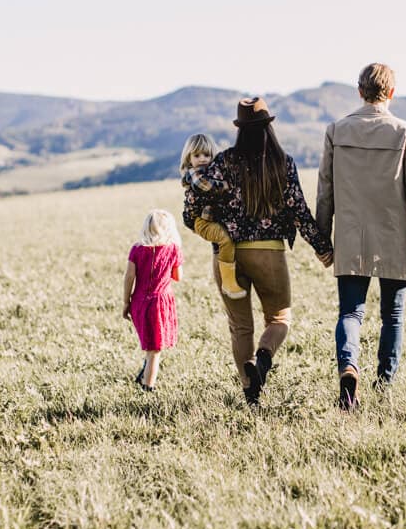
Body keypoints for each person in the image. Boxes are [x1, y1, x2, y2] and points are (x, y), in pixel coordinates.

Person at [183, 97, 333, 405]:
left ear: (239, 129)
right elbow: (298, 211)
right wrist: (322, 248)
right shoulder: (283, 162)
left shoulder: (223, 162)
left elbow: (192, 207)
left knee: (240, 327)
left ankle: (250, 393)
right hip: (269, 253)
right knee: (278, 319)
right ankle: (262, 359)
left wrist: (202, 223)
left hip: (229, 255)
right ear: (269, 126)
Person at [316, 63, 406, 411]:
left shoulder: (336, 131)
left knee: (351, 313)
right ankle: (384, 385)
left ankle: (349, 366)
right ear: (392, 93)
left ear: (359, 92)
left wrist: (323, 240)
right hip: (395, 238)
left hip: (352, 238)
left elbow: (325, 191)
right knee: (392, 317)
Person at [122, 209, 184, 391]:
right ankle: (148, 388)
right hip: (160, 303)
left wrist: (126, 302)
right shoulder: (173, 249)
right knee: (155, 349)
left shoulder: (137, 249)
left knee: (151, 343)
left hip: (140, 302)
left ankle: (144, 370)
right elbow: (178, 276)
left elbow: (129, 277)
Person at [179, 133, 246, 299]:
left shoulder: (212, 171)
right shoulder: (194, 173)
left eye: (207, 155)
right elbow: (206, 186)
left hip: (208, 218)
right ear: (189, 159)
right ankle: (228, 283)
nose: (202, 159)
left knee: (224, 240)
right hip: (200, 221)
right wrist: (227, 185)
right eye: (197, 155)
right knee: (225, 240)